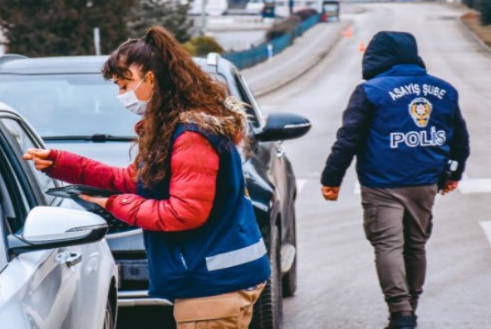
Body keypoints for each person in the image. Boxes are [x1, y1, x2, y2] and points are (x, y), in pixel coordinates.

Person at [24, 26, 270, 328]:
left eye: (124, 84)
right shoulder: (174, 131)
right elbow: (132, 180)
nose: (121, 95)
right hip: (220, 278)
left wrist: (115, 205)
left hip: (213, 287)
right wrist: (61, 163)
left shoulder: (190, 137)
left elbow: (184, 213)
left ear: (151, 78)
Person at [320, 31, 470, 329]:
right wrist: (454, 173)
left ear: (376, 55)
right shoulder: (445, 90)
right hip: (426, 183)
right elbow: (460, 138)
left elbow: (348, 139)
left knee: (387, 245)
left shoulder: (370, 91)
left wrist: (331, 178)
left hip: (382, 184)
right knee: (415, 245)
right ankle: (410, 308)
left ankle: (400, 313)